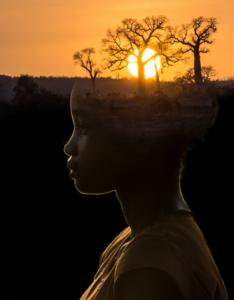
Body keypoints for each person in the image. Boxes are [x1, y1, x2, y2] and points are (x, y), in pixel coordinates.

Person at [64, 82, 228, 300]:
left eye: (84, 128)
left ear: (142, 139)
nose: (69, 146)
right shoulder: (132, 239)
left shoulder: (149, 269)